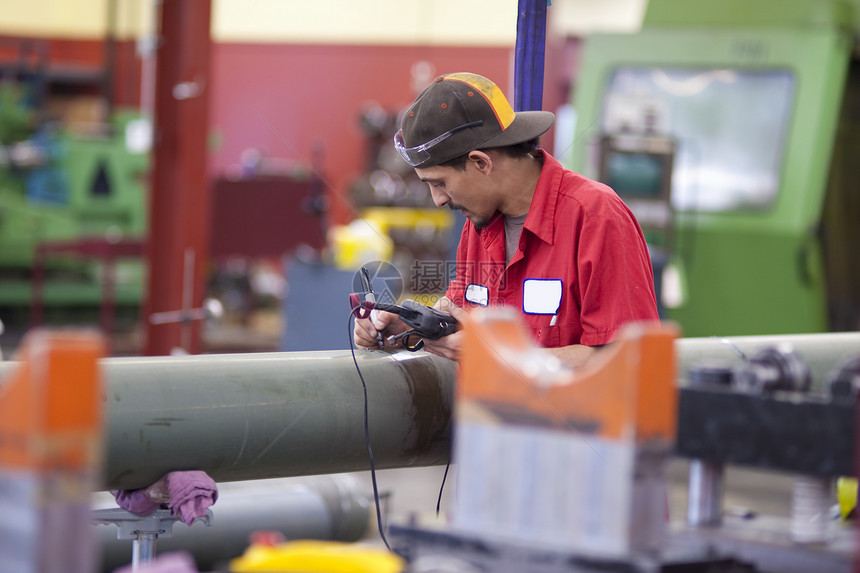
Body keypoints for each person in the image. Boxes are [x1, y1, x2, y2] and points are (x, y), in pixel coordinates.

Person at [354, 72, 659, 368]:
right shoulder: (478, 226)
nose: (439, 200)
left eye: (440, 183)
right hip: (491, 418)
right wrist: (406, 330)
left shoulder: (596, 217)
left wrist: (497, 355)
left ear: (480, 163)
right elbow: (459, 324)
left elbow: (629, 359)